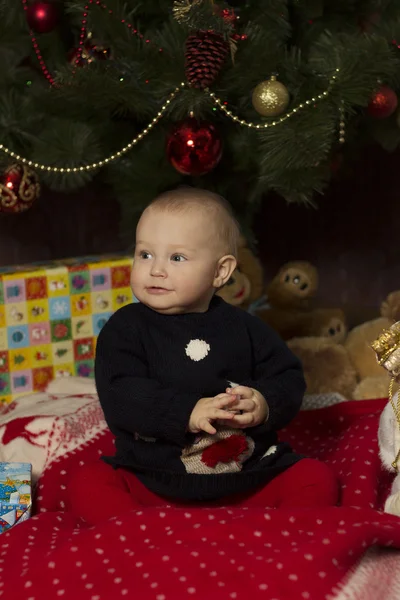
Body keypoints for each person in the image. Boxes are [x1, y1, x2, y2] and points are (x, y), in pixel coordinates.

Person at [68, 187, 338, 524]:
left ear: (220, 272)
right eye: (145, 254)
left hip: (247, 477)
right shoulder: (125, 329)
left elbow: (288, 375)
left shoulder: (245, 328)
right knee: (86, 482)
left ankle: (273, 534)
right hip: (153, 479)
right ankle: (142, 535)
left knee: (315, 478)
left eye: (176, 258)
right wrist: (185, 412)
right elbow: (120, 391)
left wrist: (263, 403)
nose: (156, 270)